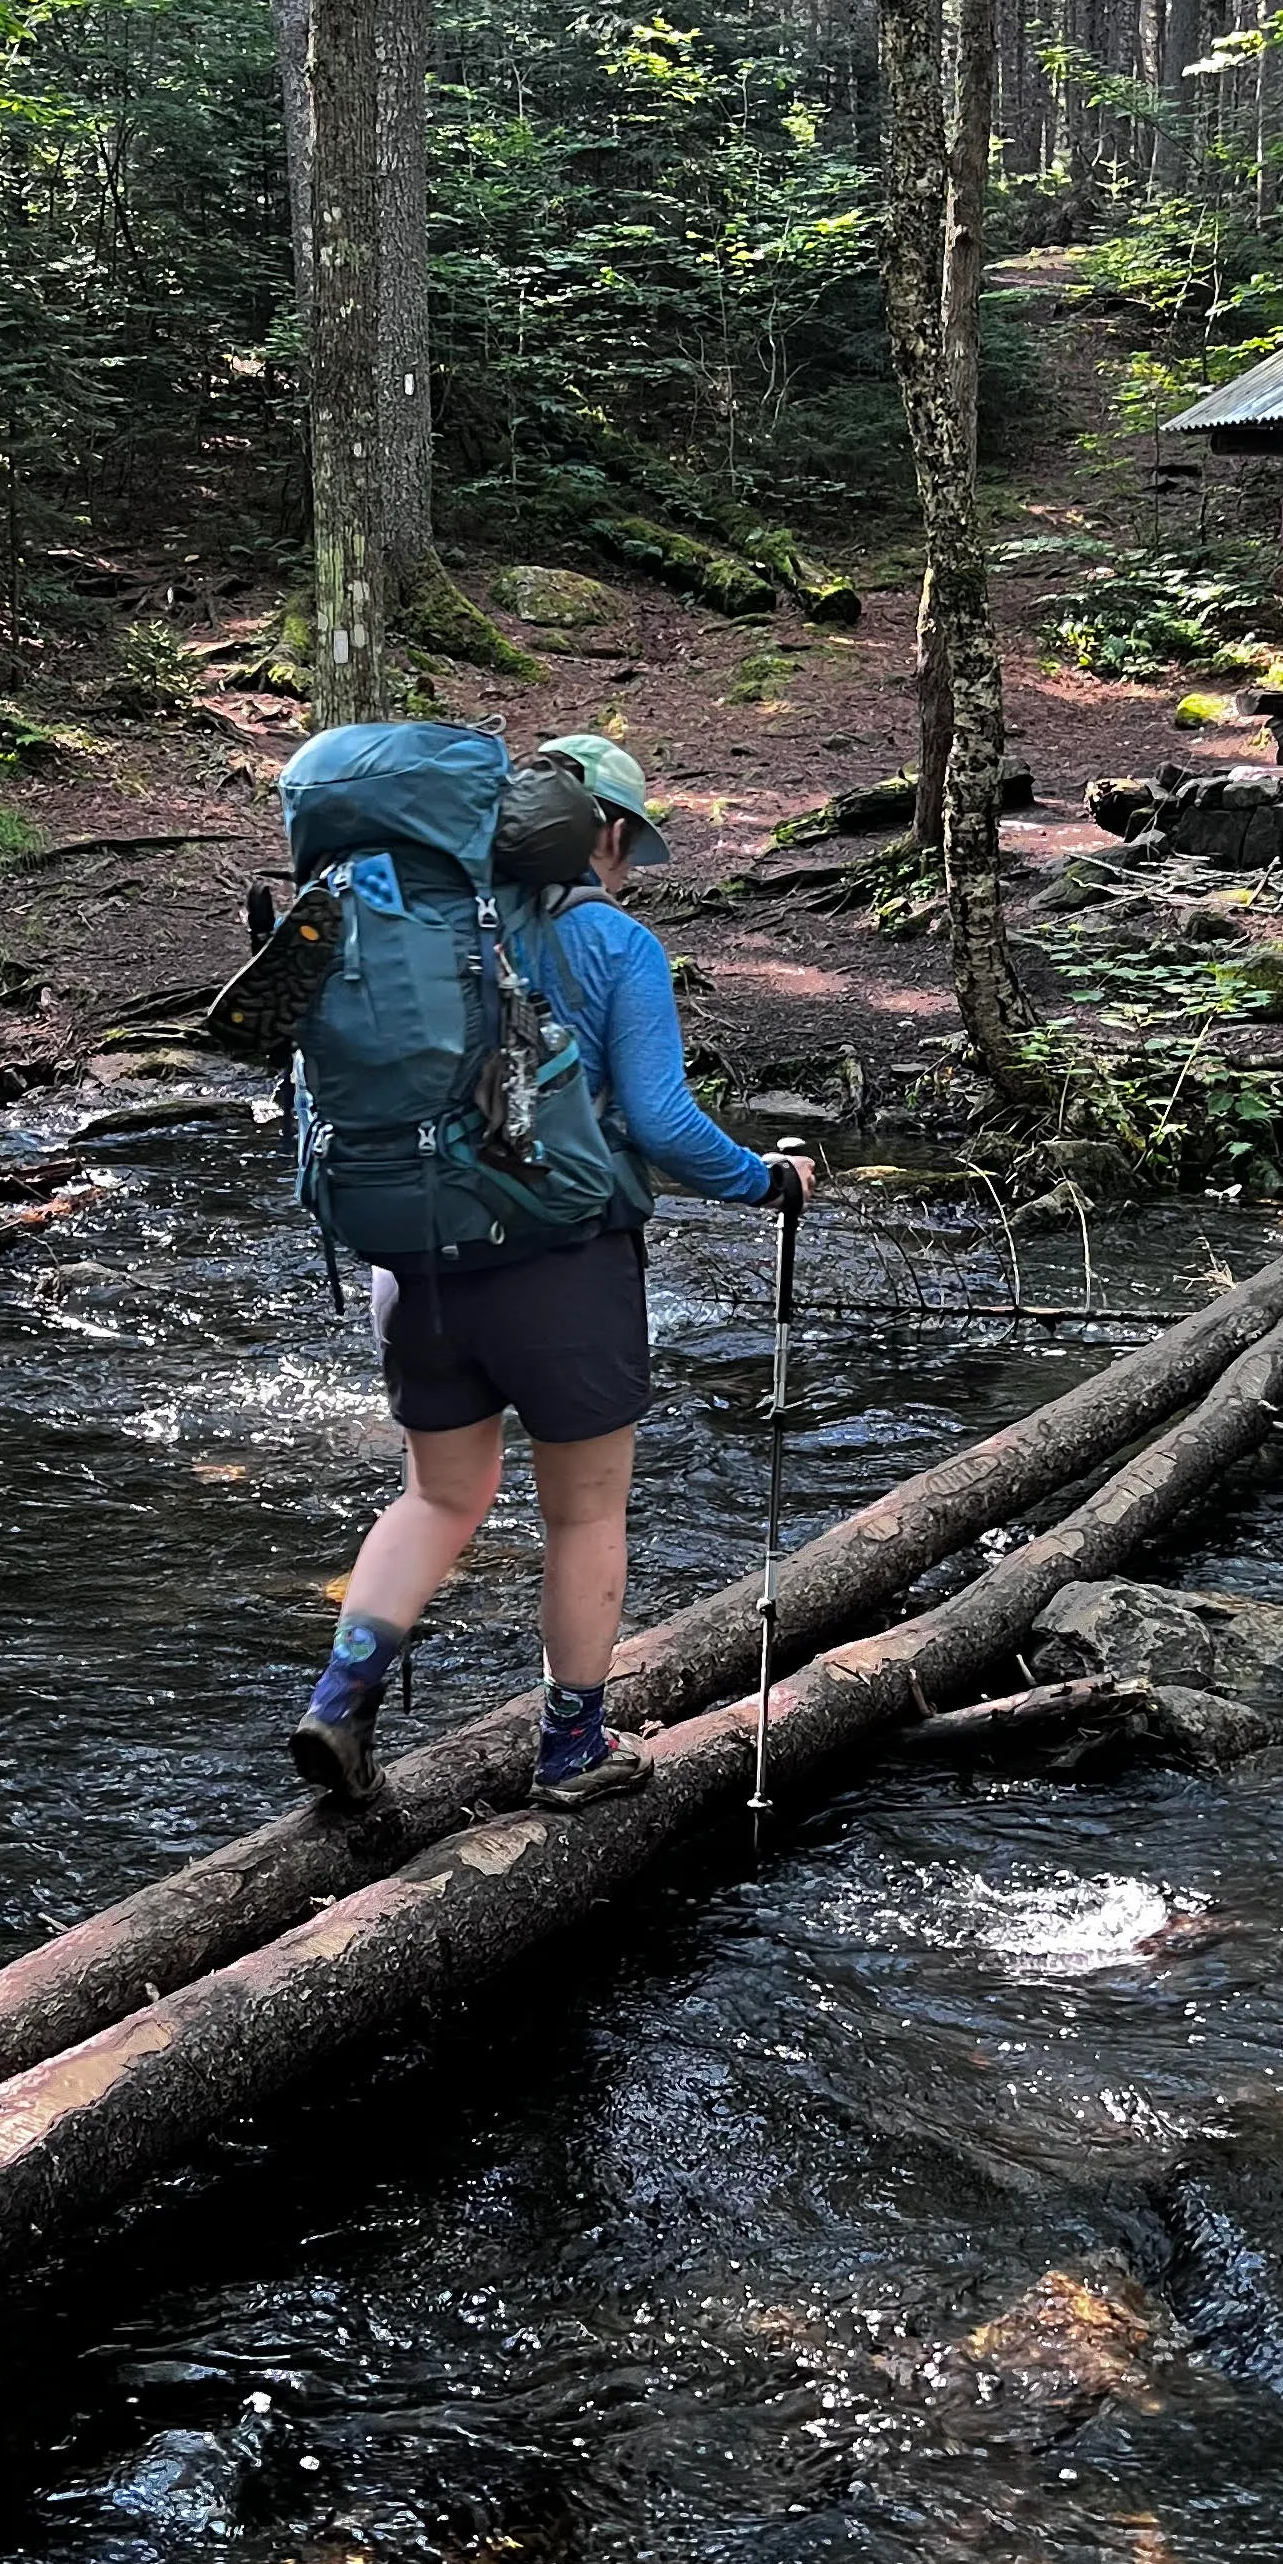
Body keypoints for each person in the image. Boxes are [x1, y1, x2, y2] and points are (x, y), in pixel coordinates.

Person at [289, 732, 819, 1813]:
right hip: (561, 1267)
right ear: (603, 835)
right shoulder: (614, 944)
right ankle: (572, 1749)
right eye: (631, 848)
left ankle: (341, 1701)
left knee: (439, 1496)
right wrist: (765, 1180)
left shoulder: (399, 930)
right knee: (583, 1514)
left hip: (413, 1260)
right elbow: (664, 1123)